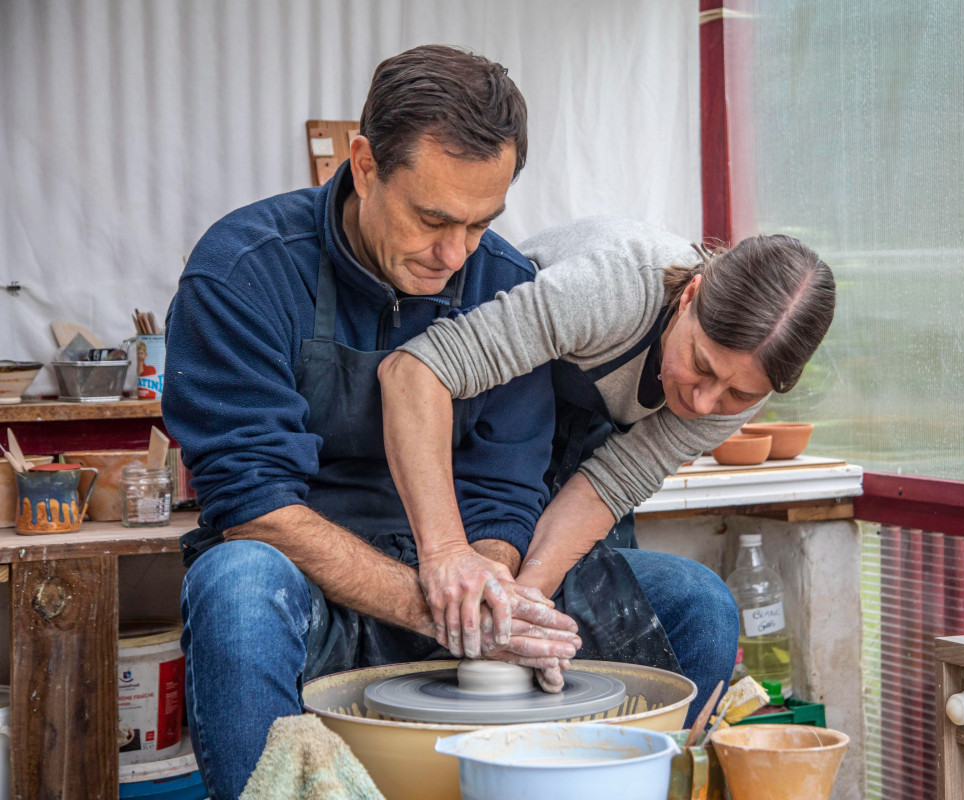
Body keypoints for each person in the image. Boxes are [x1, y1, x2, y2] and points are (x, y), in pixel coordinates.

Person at [162, 46, 582, 799]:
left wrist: (488, 595)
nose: (454, 255)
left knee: (689, 599)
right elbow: (253, 508)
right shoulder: (244, 271)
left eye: (481, 223)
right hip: (305, 582)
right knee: (236, 584)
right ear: (362, 164)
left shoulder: (508, 287)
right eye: (431, 219)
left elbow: (504, 491)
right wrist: (439, 604)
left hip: (449, 581)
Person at [378, 215, 837, 721]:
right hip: (475, 424)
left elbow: (607, 485)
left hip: (583, 457)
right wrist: (445, 553)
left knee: (697, 609)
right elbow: (417, 370)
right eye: (701, 365)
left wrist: (523, 617)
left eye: (738, 393)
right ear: (689, 298)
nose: (707, 403)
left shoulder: (747, 381)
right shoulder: (610, 289)